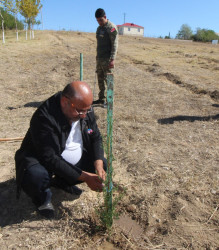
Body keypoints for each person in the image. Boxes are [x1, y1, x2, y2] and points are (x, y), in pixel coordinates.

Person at [15, 81, 107, 219]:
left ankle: (61, 182)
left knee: (102, 163)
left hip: (64, 160)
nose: (84, 115)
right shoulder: (44, 118)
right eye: (80, 111)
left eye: (87, 110)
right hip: (41, 160)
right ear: (65, 102)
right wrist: (85, 177)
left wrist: (98, 163)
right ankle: (42, 199)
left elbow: (95, 137)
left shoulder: (84, 109)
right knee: (36, 177)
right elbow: (50, 158)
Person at [93, 8, 118, 105]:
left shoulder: (111, 28)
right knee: (100, 80)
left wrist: (112, 59)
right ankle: (101, 98)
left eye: (100, 20)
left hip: (108, 60)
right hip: (99, 59)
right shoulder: (99, 29)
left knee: (109, 81)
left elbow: (115, 44)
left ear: (105, 17)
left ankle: (110, 101)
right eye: (97, 20)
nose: (99, 22)